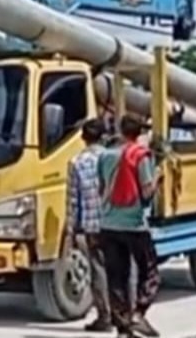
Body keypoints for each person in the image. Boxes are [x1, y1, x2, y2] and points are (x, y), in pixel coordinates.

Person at [97, 114, 161, 338]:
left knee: (117, 277)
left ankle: (123, 328)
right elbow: (146, 191)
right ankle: (138, 314)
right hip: (134, 225)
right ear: (139, 134)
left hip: (107, 224)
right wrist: (157, 179)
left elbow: (101, 188)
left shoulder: (104, 156)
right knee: (150, 273)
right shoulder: (141, 156)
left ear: (120, 130)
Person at [65, 118, 111, 332]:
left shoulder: (76, 163)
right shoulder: (112, 158)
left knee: (98, 270)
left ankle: (105, 316)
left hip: (92, 226)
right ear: (104, 136)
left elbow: (73, 200)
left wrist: (71, 229)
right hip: (117, 221)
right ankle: (127, 315)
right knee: (122, 269)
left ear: (83, 139)